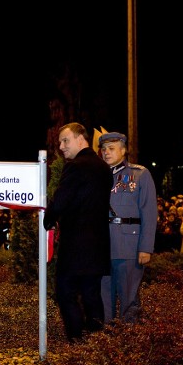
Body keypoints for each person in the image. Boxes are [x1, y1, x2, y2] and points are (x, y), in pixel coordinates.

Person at [43, 122, 113, 343]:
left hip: (76, 247)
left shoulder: (75, 166)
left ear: (81, 139)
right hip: (99, 245)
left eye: (66, 140)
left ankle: (77, 341)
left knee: (65, 293)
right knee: (92, 295)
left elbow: (61, 200)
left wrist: (48, 219)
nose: (62, 146)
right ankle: (95, 343)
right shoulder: (103, 168)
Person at [98, 132, 157, 324]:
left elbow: (148, 211)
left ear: (123, 150)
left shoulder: (140, 174)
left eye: (111, 148)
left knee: (129, 299)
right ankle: (106, 339)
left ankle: (129, 340)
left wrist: (145, 247)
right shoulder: (96, 175)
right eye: (104, 149)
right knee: (103, 297)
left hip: (128, 246)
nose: (106, 152)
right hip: (102, 245)